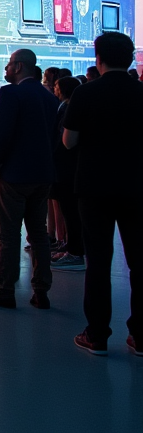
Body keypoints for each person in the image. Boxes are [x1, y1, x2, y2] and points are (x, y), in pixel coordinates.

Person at [62, 32, 143, 356]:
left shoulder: (85, 93)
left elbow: (69, 141)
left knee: (98, 262)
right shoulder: (141, 93)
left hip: (94, 187)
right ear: (131, 58)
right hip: (137, 186)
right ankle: (140, 336)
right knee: (139, 262)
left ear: (99, 58)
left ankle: (96, 335)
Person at [0, 48, 59, 310]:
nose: (6, 69)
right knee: (39, 234)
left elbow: (2, 133)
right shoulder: (49, 97)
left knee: (8, 234)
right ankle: (41, 290)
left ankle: (5, 289)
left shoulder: (11, 93)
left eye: (9, 65)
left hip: (15, 174)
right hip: (42, 175)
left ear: (19, 67)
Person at [51, 76, 85, 272]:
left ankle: (75, 251)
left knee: (70, 209)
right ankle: (73, 247)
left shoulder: (67, 108)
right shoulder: (64, 106)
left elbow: (65, 140)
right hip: (71, 166)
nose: (54, 89)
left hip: (66, 166)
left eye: (56, 86)